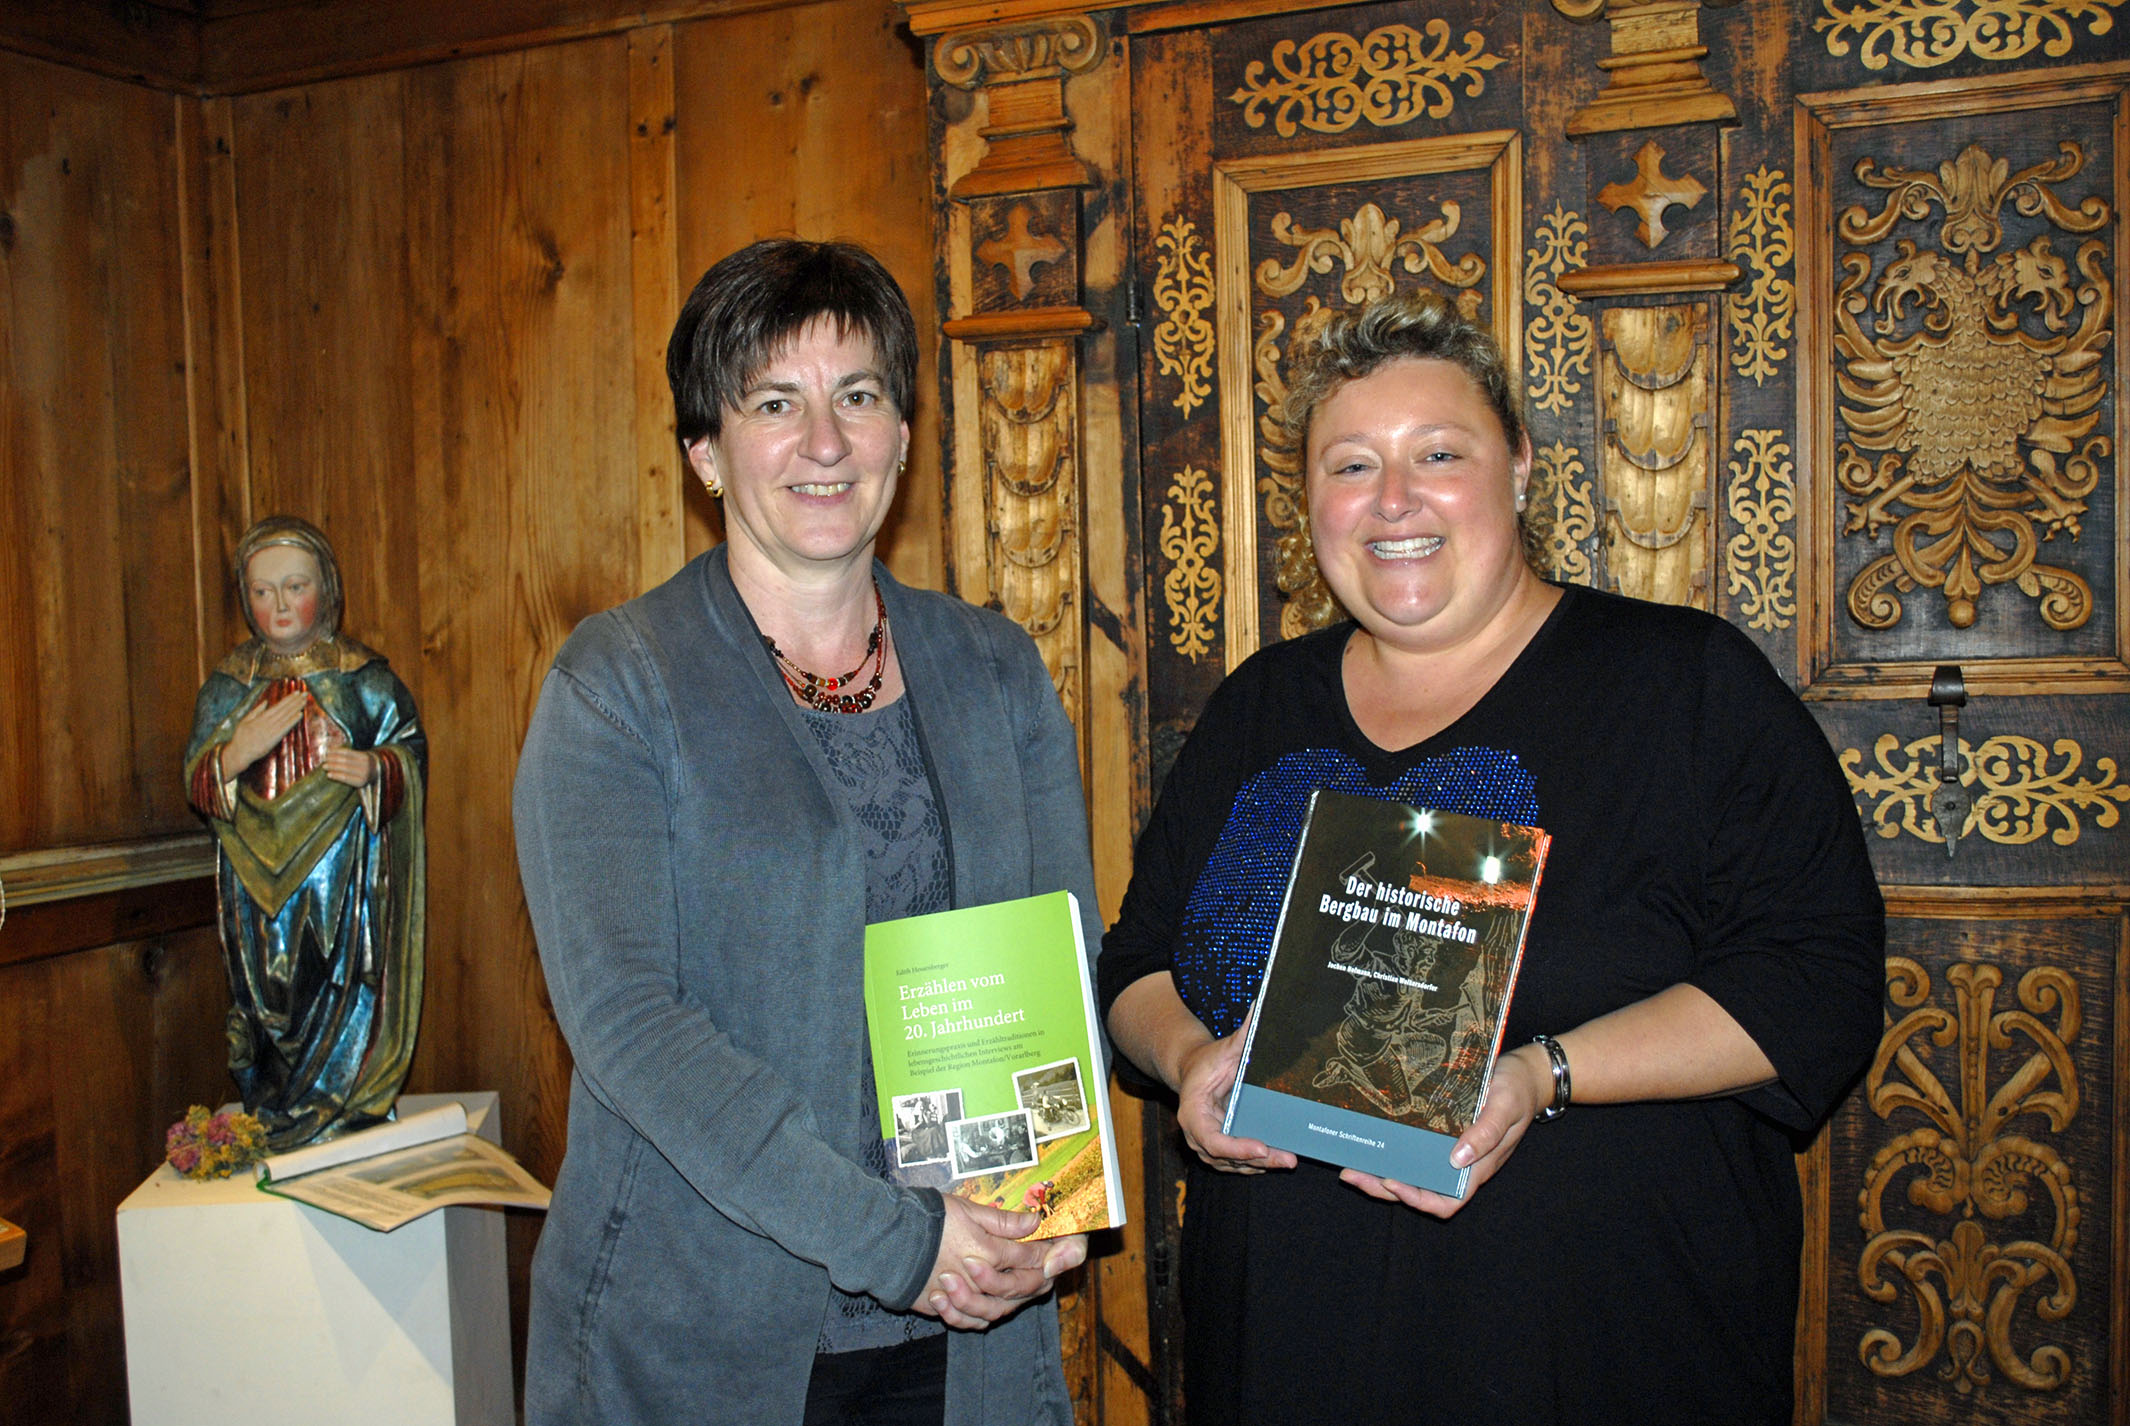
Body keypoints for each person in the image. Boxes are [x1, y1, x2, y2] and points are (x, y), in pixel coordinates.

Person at [1099, 290, 1885, 1424]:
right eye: (1351, 465)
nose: (1394, 499)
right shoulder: (1258, 708)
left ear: (1517, 467)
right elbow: (1138, 960)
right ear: (1310, 501)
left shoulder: (1686, 687)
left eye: (1438, 453)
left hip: (1602, 1349)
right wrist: (1187, 1059)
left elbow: (1817, 983)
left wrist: (1541, 1073)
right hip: (1290, 1348)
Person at [513, 238, 1096, 1426]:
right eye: (775, 403)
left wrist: (1048, 1200)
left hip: (969, 1321)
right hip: (701, 1334)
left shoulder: (997, 670)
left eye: (859, 396)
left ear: (903, 436)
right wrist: (896, 1240)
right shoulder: (617, 685)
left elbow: (1057, 953)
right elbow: (628, 1022)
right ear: (706, 452)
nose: (825, 442)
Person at [183, 515, 426, 1150]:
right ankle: (276, 1105)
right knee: (268, 992)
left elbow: (408, 752)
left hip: (342, 885)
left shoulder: (362, 679)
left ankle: (342, 1102)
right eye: (263, 591)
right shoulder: (229, 686)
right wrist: (235, 753)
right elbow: (198, 777)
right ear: (245, 597)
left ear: (327, 588)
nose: (281, 606)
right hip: (255, 891)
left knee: (335, 983)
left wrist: (374, 768)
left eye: (296, 587)